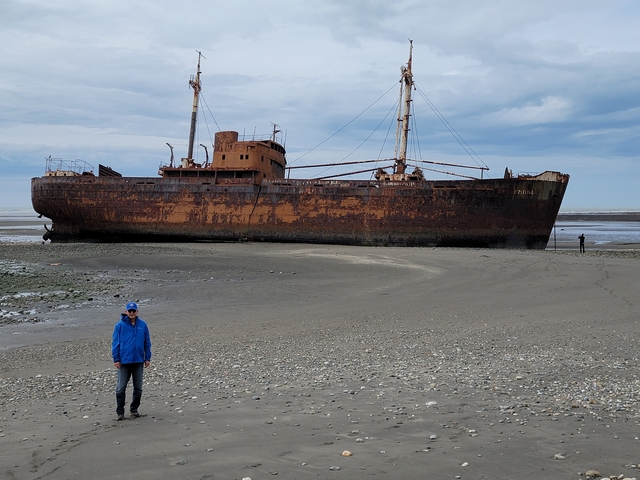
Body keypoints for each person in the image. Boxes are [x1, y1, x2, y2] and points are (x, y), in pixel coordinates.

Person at [112, 302, 152, 420]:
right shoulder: (119, 325)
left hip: (138, 360)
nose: (131, 313)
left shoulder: (142, 325)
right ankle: (120, 412)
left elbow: (147, 342)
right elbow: (115, 343)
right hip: (124, 361)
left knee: (138, 387)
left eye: (133, 311)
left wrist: (147, 357)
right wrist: (116, 359)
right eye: (129, 311)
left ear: (137, 312)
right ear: (126, 312)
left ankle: (134, 409)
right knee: (120, 388)